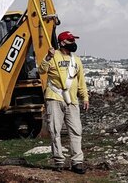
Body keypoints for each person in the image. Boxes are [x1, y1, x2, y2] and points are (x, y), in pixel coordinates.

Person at [38, 30, 89, 174]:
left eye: (74, 40)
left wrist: (84, 97)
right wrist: (48, 57)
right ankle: (58, 161)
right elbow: (41, 70)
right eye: (71, 41)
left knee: (76, 130)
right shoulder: (53, 56)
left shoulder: (76, 60)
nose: (74, 43)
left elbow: (81, 81)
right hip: (54, 97)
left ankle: (77, 162)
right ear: (62, 43)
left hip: (72, 100)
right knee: (55, 130)